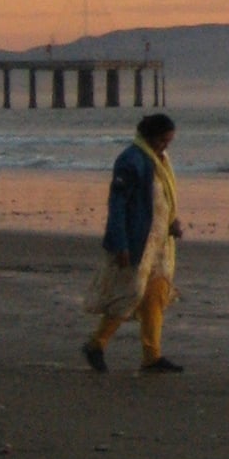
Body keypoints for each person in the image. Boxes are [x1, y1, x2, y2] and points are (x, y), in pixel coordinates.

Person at [83, 112, 184, 373]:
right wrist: (120, 244)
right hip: (137, 241)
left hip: (160, 242)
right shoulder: (131, 160)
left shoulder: (160, 160)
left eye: (169, 141)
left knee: (157, 293)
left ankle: (152, 356)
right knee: (131, 293)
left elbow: (163, 197)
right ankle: (96, 344)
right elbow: (117, 205)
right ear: (150, 136)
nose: (166, 145)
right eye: (163, 140)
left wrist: (172, 222)